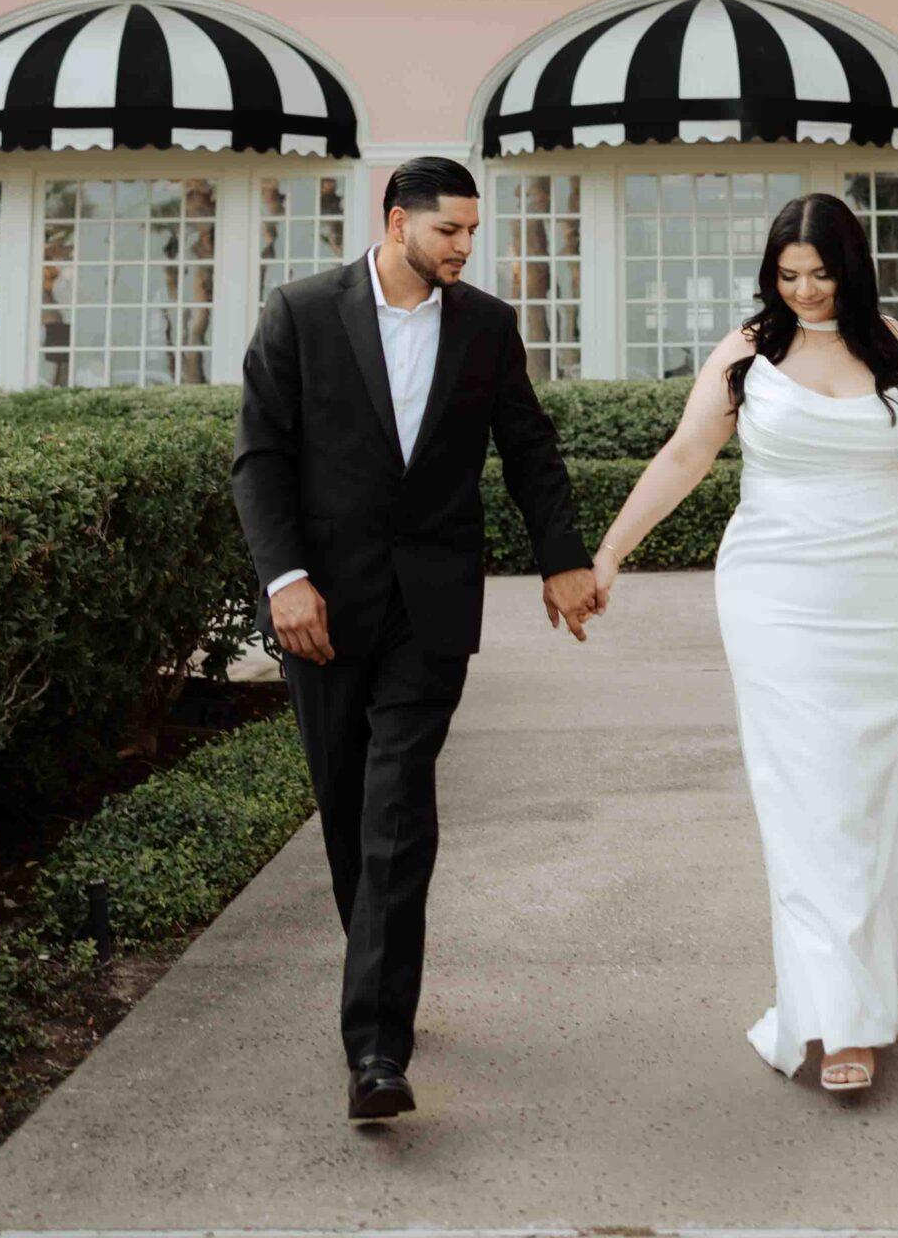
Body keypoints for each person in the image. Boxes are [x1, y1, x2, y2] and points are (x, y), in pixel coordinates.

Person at [590, 190, 898, 1093]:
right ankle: (837, 1020)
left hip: (884, 592)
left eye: (819, 274)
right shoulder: (746, 356)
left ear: (853, 269)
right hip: (774, 595)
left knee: (868, 796)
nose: (801, 291)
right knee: (805, 798)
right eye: (786, 275)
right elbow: (684, 458)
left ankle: (868, 971)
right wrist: (606, 556)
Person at [231, 155, 600, 1122]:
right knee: (349, 811)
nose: (464, 248)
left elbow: (528, 447)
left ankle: (377, 1050)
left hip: (432, 608)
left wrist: (562, 558)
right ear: (396, 222)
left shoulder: (484, 325)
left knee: (396, 809)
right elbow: (259, 459)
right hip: (322, 609)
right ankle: (380, 976)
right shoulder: (301, 313)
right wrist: (286, 581)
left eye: (473, 232)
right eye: (449, 231)